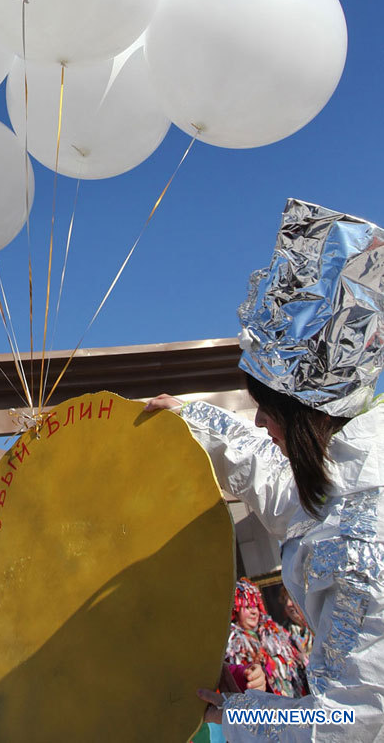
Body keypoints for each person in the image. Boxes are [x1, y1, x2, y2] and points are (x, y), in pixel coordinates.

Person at [147, 199, 384, 741]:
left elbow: (349, 723)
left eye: (266, 407)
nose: (258, 420)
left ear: (303, 414)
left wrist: (241, 714)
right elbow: (285, 491)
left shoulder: (365, 541)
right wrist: (190, 419)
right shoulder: (351, 478)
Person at [226, 578, 305, 697]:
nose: (254, 612)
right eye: (247, 607)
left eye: (256, 606)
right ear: (235, 611)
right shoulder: (231, 645)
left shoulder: (277, 633)